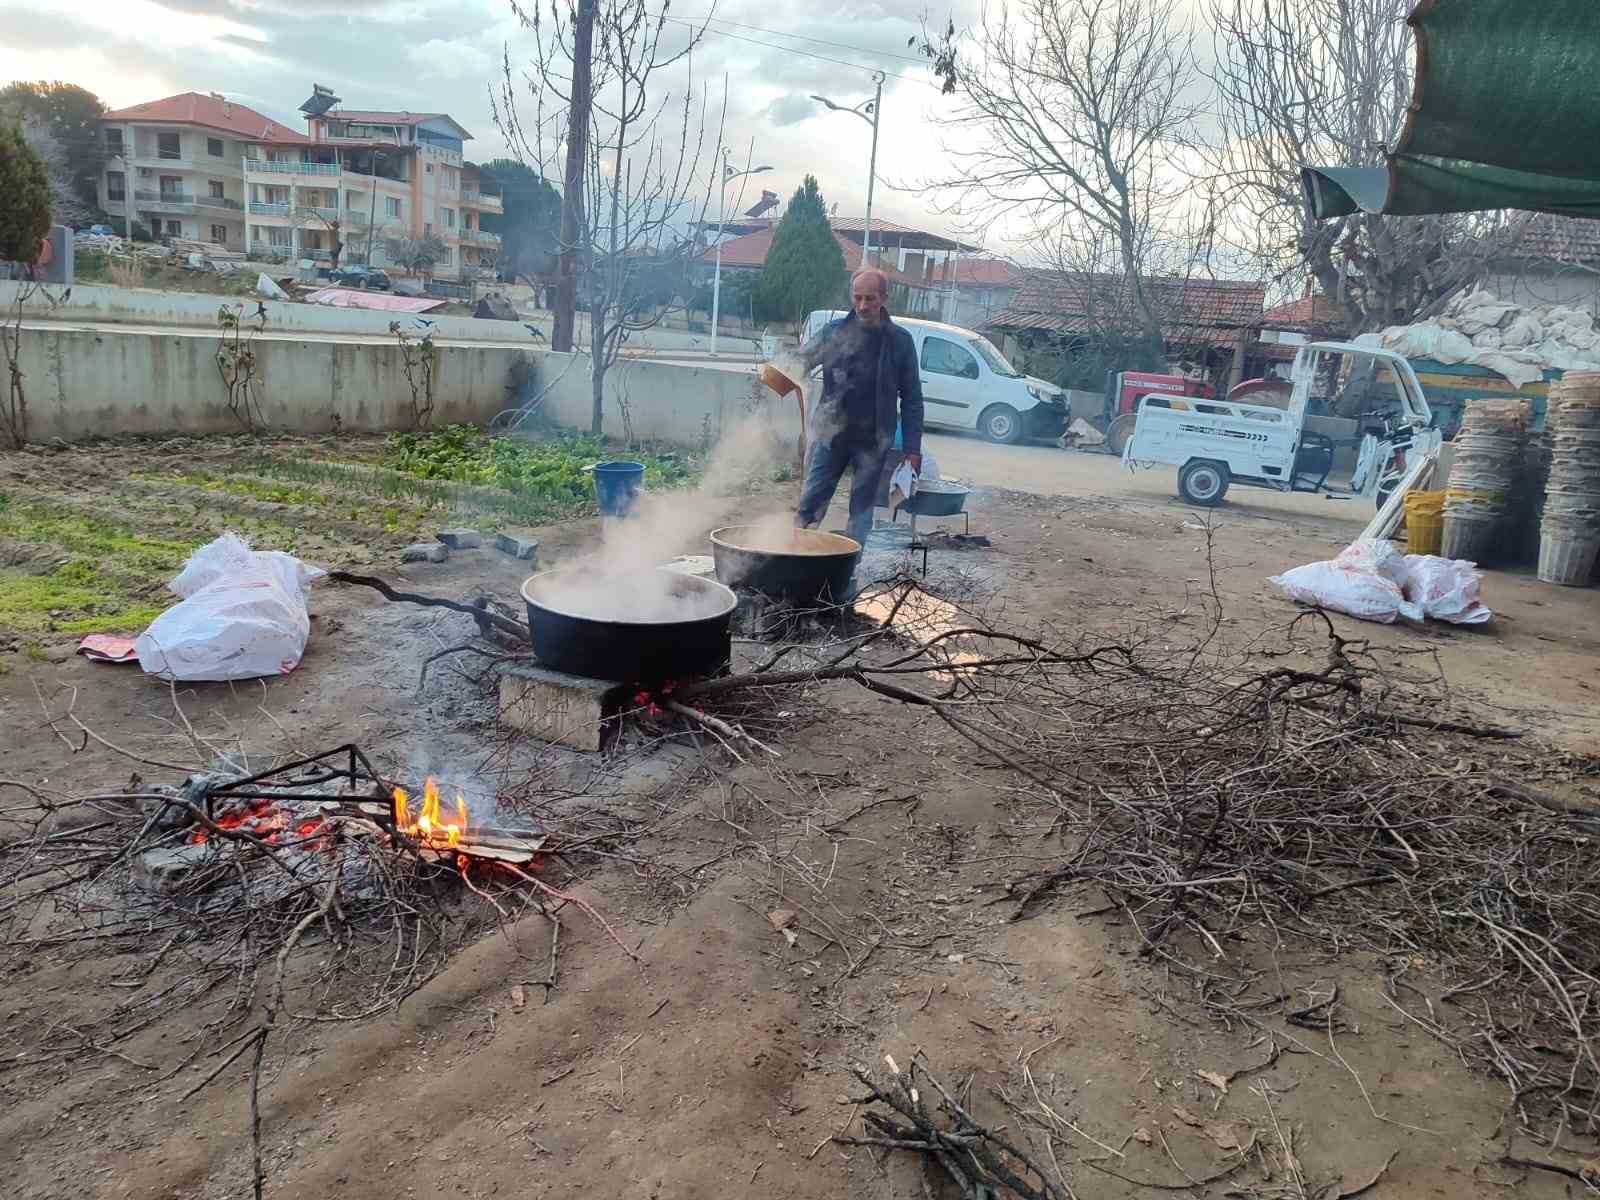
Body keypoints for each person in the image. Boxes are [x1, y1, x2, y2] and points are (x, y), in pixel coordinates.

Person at [794, 268, 924, 546]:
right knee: (810, 504)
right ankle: (795, 557)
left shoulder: (900, 342)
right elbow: (799, 363)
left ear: (884, 298)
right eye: (857, 298)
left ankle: (849, 569)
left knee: (861, 514)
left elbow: (912, 398)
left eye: (870, 298)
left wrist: (913, 449)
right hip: (832, 437)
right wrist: (781, 371)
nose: (863, 306)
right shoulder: (833, 333)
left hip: (873, 442)